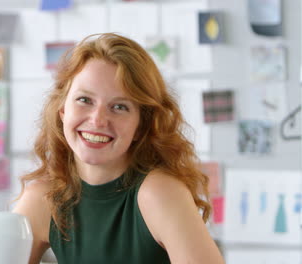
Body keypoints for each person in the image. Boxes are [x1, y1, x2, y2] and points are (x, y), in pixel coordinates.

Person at [13, 33, 225, 264]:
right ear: (62, 110)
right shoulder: (43, 199)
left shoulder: (159, 193)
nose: (98, 120)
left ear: (141, 125)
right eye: (85, 100)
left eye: (119, 106)